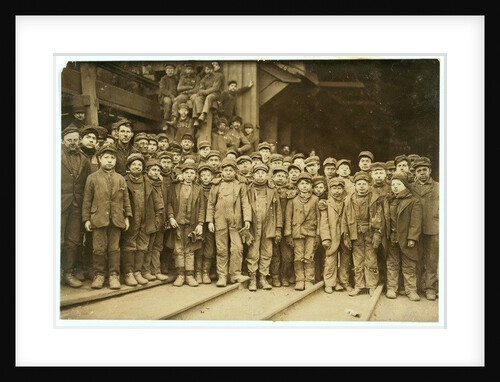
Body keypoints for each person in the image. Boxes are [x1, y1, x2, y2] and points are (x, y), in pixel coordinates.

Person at [82, 144, 132, 289]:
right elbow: (86, 200)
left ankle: (114, 276)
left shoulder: (120, 179)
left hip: (116, 219)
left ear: (116, 161)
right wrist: (86, 219)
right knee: (98, 249)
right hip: (98, 219)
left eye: (112, 158)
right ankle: (99, 275)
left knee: (114, 249)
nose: (109, 161)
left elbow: (126, 200)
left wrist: (127, 217)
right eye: (106, 158)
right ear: (100, 159)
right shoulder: (92, 178)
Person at [206, 158, 252, 287]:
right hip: (219, 220)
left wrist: (247, 219)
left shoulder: (240, 185)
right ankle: (222, 275)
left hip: (235, 221)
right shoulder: (216, 185)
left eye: (231, 170)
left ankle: (235, 274)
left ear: (235, 171)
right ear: (221, 171)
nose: (228, 173)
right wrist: (210, 221)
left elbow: (245, 202)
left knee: (237, 248)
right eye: (225, 170)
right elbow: (210, 204)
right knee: (221, 249)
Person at [120, 153, 164, 287]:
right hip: (132, 219)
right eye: (134, 164)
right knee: (129, 246)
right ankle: (128, 273)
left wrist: (157, 217)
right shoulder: (123, 180)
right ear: (129, 166)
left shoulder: (148, 182)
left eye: (139, 164)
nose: (137, 167)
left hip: (146, 219)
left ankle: (138, 272)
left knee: (142, 247)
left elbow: (157, 201)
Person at [342, 171, 384, 297]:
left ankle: (371, 285)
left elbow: (379, 217)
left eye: (364, 183)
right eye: (358, 183)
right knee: (358, 260)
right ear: (354, 185)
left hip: (370, 233)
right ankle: (359, 286)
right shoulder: (349, 199)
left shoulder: (375, 199)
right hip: (356, 233)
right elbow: (345, 218)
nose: (361, 186)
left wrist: (377, 234)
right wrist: (347, 235)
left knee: (371, 259)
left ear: (368, 184)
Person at [383, 171, 422, 301]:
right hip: (392, 237)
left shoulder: (413, 201)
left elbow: (415, 222)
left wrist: (412, 238)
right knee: (392, 264)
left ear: (405, 185)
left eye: (398, 184)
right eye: (393, 184)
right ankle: (391, 288)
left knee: (409, 265)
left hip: (406, 239)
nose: (395, 186)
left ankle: (411, 290)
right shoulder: (389, 200)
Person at [167, 162, 206, 287]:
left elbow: (202, 208)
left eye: (192, 173)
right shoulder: (175, 187)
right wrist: (171, 217)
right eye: (186, 173)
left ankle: (189, 275)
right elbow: (169, 204)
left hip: (192, 224)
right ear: (182, 174)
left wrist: (200, 224)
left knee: (190, 249)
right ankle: (180, 275)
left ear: (195, 175)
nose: (189, 175)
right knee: (178, 249)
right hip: (178, 224)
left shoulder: (198, 189)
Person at [61, 125, 91, 288]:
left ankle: (68, 273)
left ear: (79, 141)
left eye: (75, 140)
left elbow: (86, 184)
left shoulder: (84, 159)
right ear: (63, 141)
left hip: (76, 206)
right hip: (58, 205)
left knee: (72, 241)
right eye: (69, 140)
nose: (72, 143)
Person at [246, 163, 283, 291]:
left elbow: (278, 211)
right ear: (253, 175)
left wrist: (278, 228)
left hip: (268, 226)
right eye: (257, 173)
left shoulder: (272, 191)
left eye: (263, 173)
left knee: (267, 252)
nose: (260, 176)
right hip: (253, 225)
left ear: (267, 175)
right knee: (253, 251)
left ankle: (263, 277)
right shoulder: (248, 189)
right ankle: (252, 278)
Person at [284, 172, 320, 291]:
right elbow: (288, 218)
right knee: (298, 257)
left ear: (311, 186)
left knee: (309, 256)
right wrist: (288, 234)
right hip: (297, 232)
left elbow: (319, 218)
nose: (304, 186)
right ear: (298, 186)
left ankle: (309, 279)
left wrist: (318, 234)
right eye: (302, 184)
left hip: (311, 231)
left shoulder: (315, 199)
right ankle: (299, 280)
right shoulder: (292, 200)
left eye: (307, 184)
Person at [410, 157, 439, 301]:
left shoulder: (439, 187)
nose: (422, 173)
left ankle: (430, 288)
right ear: (415, 173)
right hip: (415, 230)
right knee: (416, 258)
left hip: (433, 228)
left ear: (430, 171)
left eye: (424, 170)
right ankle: (415, 287)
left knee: (432, 260)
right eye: (419, 171)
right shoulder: (411, 187)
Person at [319, 178, 352, 294]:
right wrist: (326, 238)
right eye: (334, 188)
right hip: (332, 236)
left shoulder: (348, 202)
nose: (337, 191)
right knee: (330, 260)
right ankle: (329, 283)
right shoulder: (326, 204)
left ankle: (344, 282)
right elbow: (324, 222)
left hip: (345, 235)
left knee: (345, 260)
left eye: (339, 188)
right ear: (330, 189)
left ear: (343, 189)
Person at [270, 165, 297, 287]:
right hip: (272, 226)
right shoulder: (269, 189)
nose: (280, 179)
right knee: (274, 254)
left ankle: (285, 275)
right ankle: (275, 277)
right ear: (273, 177)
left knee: (287, 255)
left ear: (287, 178)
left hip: (287, 227)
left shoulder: (291, 191)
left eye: (283, 176)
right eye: (277, 176)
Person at [142, 159, 169, 282]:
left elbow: (165, 201)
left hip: (161, 219)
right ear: (147, 171)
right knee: (148, 246)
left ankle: (156, 270)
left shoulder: (161, 184)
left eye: (158, 170)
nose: (156, 172)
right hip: (149, 219)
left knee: (158, 246)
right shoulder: (145, 183)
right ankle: (145, 271)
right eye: (153, 170)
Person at [194, 164, 216, 284]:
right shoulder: (196, 188)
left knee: (210, 247)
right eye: (203, 175)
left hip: (212, 223)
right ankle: (198, 272)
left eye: (208, 175)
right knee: (198, 246)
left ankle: (205, 272)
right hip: (198, 222)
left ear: (212, 176)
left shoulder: (215, 188)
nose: (206, 178)